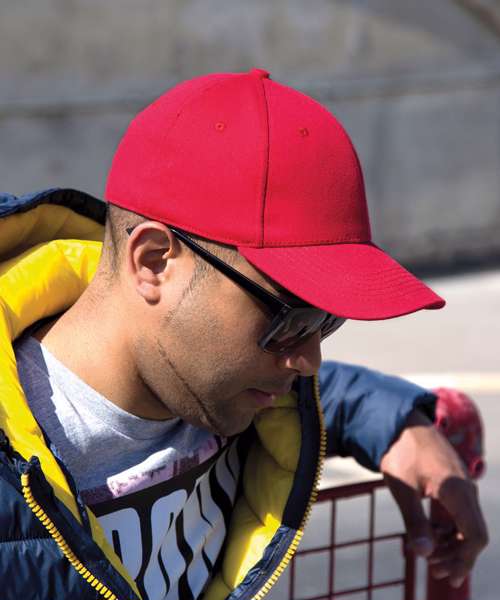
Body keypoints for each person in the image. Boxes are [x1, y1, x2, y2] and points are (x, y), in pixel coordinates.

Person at [0, 68, 487, 600]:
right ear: (154, 262)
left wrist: (396, 421)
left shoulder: (220, 386)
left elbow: (315, 396)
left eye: (327, 321)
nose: (308, 359)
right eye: (291, 319)